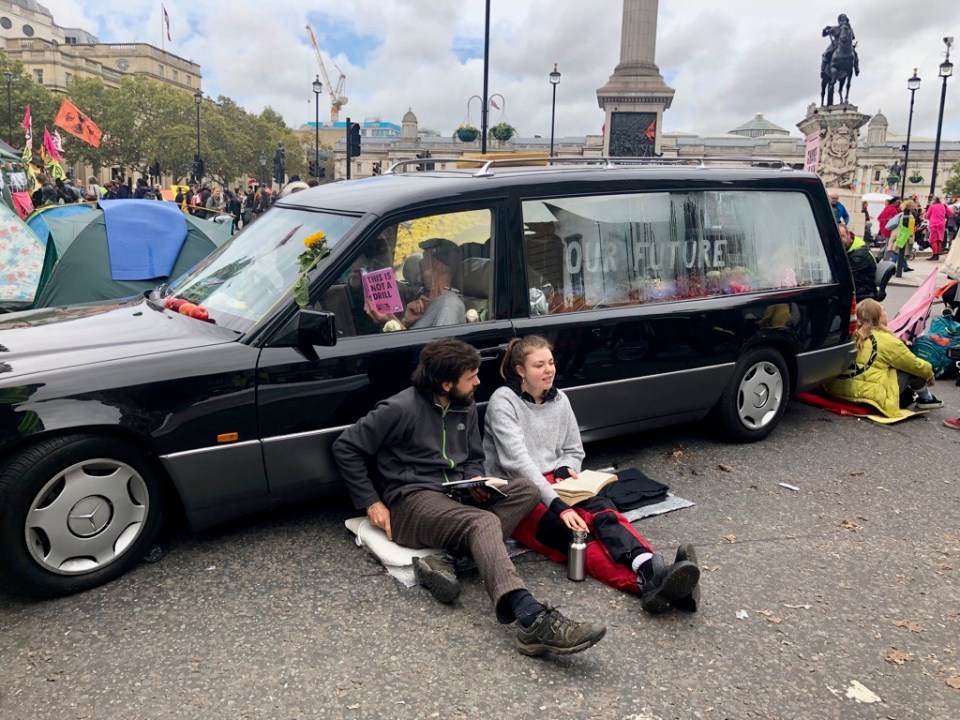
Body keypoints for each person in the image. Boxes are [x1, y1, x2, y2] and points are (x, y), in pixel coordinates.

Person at [332, 338, 607, 657]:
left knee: (527, 490)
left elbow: (473, 456)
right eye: (471, 376)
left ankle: (447, 558)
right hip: (413, 501)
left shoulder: (464, 404)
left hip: (456, 494)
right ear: (446, 383)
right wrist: (371, 501)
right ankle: (530, 618)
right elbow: (346, 447)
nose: (479, 381)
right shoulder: (400, 408)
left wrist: (475, 479)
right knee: (483, 522)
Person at [483, 335, 701, 613]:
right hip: (520, 491)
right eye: (539, 365)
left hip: (559, 482)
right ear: (520, 371)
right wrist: (559, 506)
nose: (548, 370)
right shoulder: (503, 402)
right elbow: (518, 464)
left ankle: (649, 566)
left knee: (605, 514)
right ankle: (649, 584)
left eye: (551, 362)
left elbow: (574, 449)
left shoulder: (559, 399)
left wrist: (565, 466)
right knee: (575, 535)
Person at [825, 299, 942, 416]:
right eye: (884, 310)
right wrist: (929, 374)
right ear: (878, 317)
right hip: (869, 399)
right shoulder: (888, 341)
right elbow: (915, 365)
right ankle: (926, 399)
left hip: (837, 392)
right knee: (912, 368)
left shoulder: (849, 334)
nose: (886, 313)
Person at [366, 237, 465, 330]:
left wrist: (391, 321)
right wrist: (406, 322)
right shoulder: (424, 299)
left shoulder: (450, 306)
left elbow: (438, 348)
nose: (420, 264)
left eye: (424, 259)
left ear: (435, 264)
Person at [838, 222, 877, 302]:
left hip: (863, 293)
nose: (839, 240)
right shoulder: (852, 246)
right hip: (855, 288)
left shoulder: (859, 256)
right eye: (837, 237)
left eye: (842, 236)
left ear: (849, 235)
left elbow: (843, 276)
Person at [924, 196, 954, 261]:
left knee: (934, 240)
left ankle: (934, 255)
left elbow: (927, 216)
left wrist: (931, 217)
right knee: (939, 239)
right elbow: (951, 213)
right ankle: (937, 255)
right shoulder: (943, 206)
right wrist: (944, 216)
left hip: (934, 224)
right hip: (942, 224)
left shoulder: (932, 206)